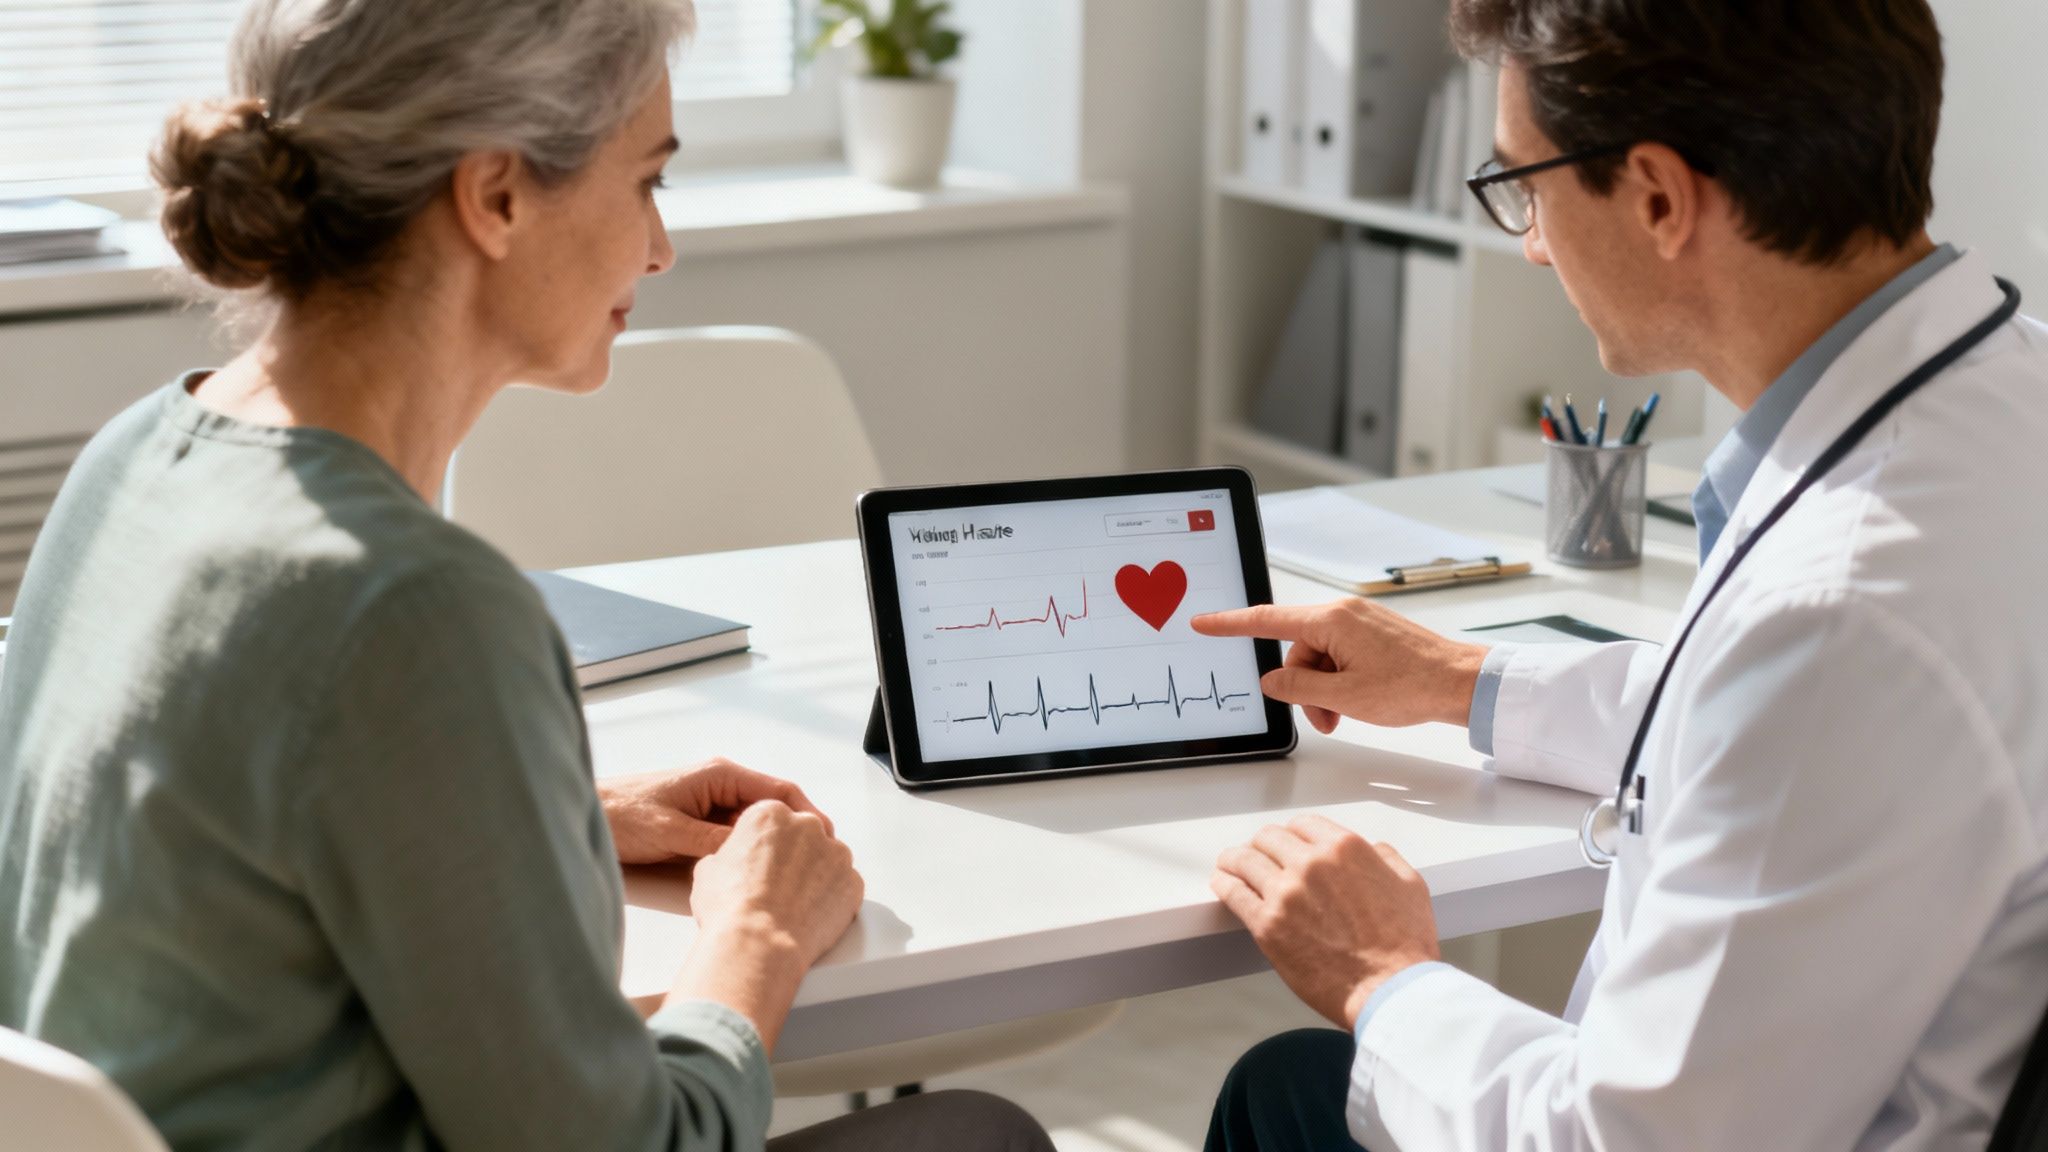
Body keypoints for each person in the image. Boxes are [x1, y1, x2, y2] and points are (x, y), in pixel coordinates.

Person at [0, 2, 1053, 1150]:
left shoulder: (132, 459)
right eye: (647, 180)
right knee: (973, 1137)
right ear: (495, 195)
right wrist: (756, 938)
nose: (659, 247)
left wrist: (548, 818)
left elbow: (214, 834)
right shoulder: (413, 607)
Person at [1192, 1, 2048, 1149]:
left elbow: (1630, 1140)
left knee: (1288, 1090)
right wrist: (1464, 680)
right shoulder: (2007, 394)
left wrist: (1380, 975)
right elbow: (1783, 735)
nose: (1532, 244)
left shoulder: (1840, 614)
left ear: (1654, 197)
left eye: (1524, 188)